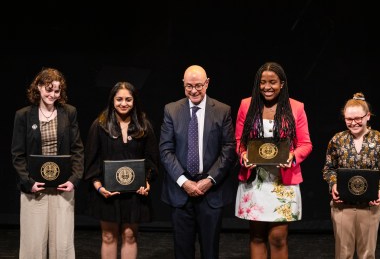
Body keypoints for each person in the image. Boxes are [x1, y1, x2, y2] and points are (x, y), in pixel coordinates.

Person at [234, 61, 313, 258]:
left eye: (272, 82)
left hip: (283, 181)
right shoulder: (246, 105)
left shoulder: (296, 107)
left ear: (282, 84)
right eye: (262, 82)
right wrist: (243, 155)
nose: (267, 87)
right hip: (256, 181)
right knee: (257, 236)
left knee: (278, 237)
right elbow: (238, 141)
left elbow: (306, 143)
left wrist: (292, 156)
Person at [159, 65, 237, 259]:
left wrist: (210, 180)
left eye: (198, 86)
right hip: (180, 192)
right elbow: (166, 150)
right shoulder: (172, 110)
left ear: (207, 83)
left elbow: (229, 149)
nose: (193, 90)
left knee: (210, 252)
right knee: (182, 252)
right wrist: (184, 182)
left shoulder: (222, 110)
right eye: (189, 86)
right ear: (183, 84)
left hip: (211, 192)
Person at [11, 67, 84, 259]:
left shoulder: (69, 113)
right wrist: (28, 182)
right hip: (35, 188)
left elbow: (77, 149)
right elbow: (17, 154)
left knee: (63, 244)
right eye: (48, 89)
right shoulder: (24, 115)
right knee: (33, 244)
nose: (52, 94)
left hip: (62, 186)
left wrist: (74, 179)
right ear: (38, 88)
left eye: (57, 90)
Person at [84, 81, 159, 259]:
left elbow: (152, 160)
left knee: (130, 236)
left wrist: (146, 182)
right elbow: (91, 162)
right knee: (108, 236)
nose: (123, 103)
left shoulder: (144, 125)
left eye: (128, 99)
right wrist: (99, 188)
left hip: (135, 194)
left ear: (134, 101)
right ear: (112, 101)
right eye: (119, 99)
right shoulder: (100, 125)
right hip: (107, 192)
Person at [322, 92, 380, 259]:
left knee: (367, 254)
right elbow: (329, 168)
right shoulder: (337, 140)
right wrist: (333, 184)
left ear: (368, 116)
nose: (353, 122)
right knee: (343, 254)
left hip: (370, 205)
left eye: (358, 118)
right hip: (342, 205)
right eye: (349, 119)